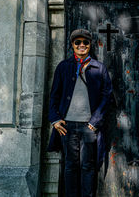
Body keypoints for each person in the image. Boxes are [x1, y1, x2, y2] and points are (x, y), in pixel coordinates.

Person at [48, 29, 113, 197]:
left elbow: (107, 96)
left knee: (88, 166)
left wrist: (95, 121)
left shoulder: (99, 68)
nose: (82, 45)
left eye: (85, 42)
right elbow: (54, 95)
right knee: (70, 166)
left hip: (89, 126)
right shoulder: (64, 67)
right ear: (72, 45)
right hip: (67, 126)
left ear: (90, 45)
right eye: (78, 42)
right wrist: (55, 119)